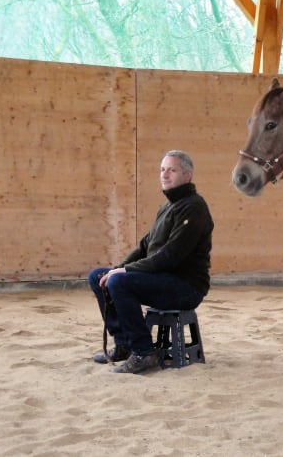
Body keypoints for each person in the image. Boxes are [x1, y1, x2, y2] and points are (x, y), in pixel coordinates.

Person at [88, 150, 214, 374]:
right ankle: (124, 344)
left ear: (187, 175)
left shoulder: (194, 208)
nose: (165, 174)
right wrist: (118, 268)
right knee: (98, 276)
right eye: (163, 169)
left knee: (119, 283)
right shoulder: (167, 207)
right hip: (162, 279)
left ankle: (144, 352)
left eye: (172, 170)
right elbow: (145, 247)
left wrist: (124, 272)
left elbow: (169, 256)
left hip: (185, 286)